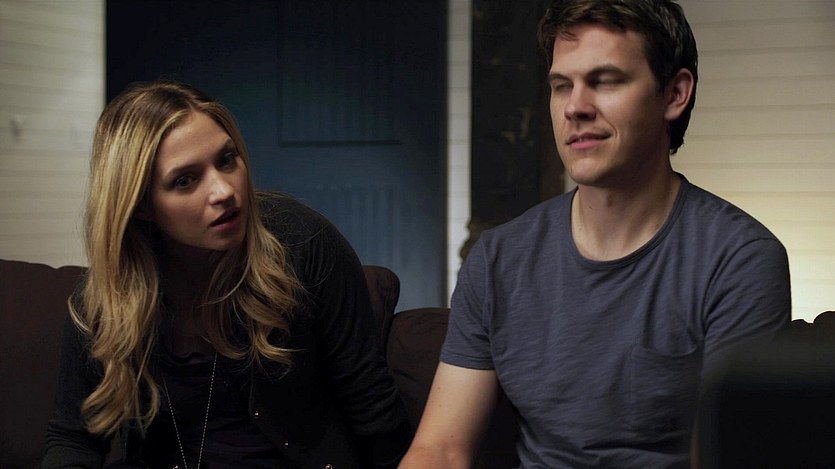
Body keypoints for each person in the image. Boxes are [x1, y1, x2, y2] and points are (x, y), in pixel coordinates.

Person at [399, 0, 791, 468]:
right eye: (561, 86)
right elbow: (441, 449)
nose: (575, 107)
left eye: (605, 81)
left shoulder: (740, 259)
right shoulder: (497, 258)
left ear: (674, 94)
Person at [43, 80, 410, 469]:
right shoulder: (105, 299)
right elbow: (72, 439)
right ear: (142, 207)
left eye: (227, 159)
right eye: (185, 180)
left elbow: (373, 407)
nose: (223, 191)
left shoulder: (303, 243)